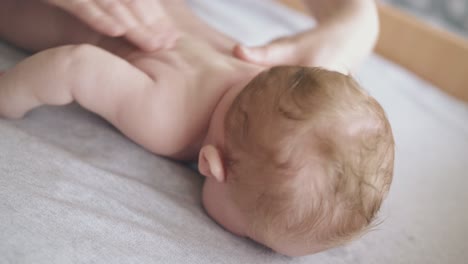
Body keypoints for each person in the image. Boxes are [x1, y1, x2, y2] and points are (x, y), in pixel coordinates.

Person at [0, 0, 393, 257]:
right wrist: (10, 95)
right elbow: (75, 66)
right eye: (251, 237)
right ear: (211, 166)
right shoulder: (169, 122)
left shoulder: (264, 75)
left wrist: (357, 17)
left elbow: (323, 109)